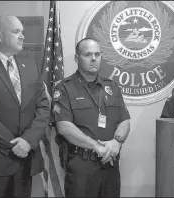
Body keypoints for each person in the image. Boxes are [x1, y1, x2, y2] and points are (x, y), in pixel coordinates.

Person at [0, 15, 50, 197]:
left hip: (24, 162)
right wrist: (13, 145)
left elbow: (43, 107)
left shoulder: (31, 65)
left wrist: (28, 141)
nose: (22, 36)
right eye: (16, 31)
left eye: (22, 32)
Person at [52, 37, 131, 197]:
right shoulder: (65, 88)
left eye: (97, 54)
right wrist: (96, 147)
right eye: (88, 55)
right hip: (81, 166)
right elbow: (64, 127)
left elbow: (125, 120)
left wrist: (117, 142)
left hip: (110, 164)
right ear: (77, 58)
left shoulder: (112, 87)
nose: (94, 58)